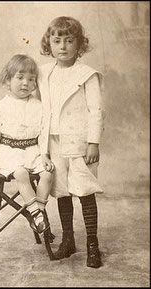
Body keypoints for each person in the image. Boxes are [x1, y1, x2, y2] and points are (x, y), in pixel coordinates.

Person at [38, 16, 105, 268]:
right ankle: (68, 240)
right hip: (53, 142)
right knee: (62, 192)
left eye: (69, 41)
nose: (63, 46)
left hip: (78, 142)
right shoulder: (44, 73)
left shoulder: (87, 74)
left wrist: (93, 142)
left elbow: (95, 110)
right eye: (57, 41)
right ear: (49, 44)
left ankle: (92, 244)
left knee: (85, 191)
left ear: (79, 45)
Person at [0, 54, 54, 234]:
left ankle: (39, 212)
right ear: (8, 80)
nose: (25, 83)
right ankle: (36, 213)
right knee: (21, 173)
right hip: (8, 152)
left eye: (31, 79)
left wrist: (44, 154)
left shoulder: (39, 106)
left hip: (33, 151)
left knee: (47, 173)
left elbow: (43, 133)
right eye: (20, 78)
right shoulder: (0, 108)